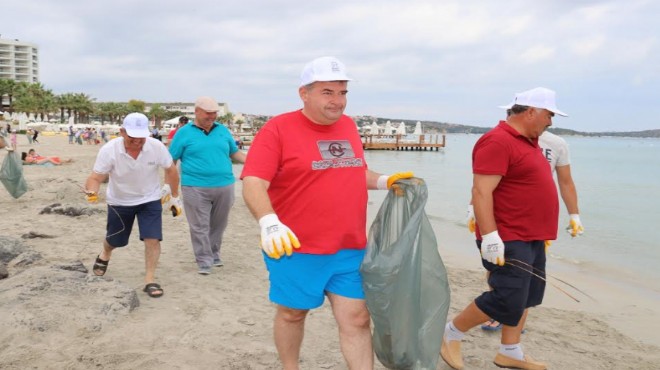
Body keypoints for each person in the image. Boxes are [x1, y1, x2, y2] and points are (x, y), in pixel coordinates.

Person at [241, 56, 412, 370]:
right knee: (293, 314)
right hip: (295, 246)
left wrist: (385, 181)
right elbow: (253, 182)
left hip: (349, 246)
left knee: (358, 319)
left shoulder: (347, 126)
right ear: (304, 93)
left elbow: (353, 170)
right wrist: (269, 222)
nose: (338, 101)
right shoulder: (278, 128)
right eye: (328, 92)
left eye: (343, 92)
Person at [441, 87, 565, 370]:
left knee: (528, 295)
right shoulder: (497, 141)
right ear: (531, 111)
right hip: (508, 234)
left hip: (532, 234)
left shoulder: (529, 140)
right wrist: (491, 237)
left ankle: (510, 350)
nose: (551, 122)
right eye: (549, 114)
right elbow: (482, 191)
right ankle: (451, 334)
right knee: (506, 296)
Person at [467, 118, 585, 333]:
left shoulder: (556, 144)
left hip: (537, 222)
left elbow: (565, 181)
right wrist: (472, 208)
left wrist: (574, 215)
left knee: (528, 282)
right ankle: (498, 313)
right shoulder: (504, 140)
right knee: (505, 276)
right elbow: (485, 182)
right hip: (507, 220)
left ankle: (513, 327)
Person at [84, 112, 181, 298]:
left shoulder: (156, 147)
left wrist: (174, 196)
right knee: (116, 240)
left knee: (152, 238)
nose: (137, 141)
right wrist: (92, 192)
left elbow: (171, 170)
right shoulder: (109, 150)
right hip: (119, 201)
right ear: (122, 132)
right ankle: (105, 253)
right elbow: (96, 177)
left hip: (149, 199)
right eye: (132, 137)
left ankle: (150, 280)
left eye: (141, 137)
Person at [168, 97, 247, 275]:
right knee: (199, 225)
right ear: (197, 111)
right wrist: (170, 187)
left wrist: (255, 163)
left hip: (225, 185)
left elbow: (235, 153)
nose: (212, 117)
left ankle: (213, 253)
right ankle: (204, 260)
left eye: (214, 113)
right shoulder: (183, 133)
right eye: (208, 113)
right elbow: (171, 161)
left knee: (219, 224)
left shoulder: (223, 130)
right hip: (194, 186)